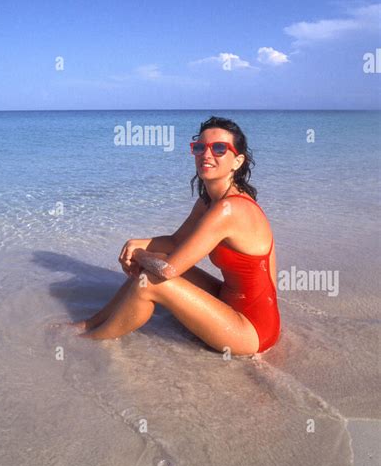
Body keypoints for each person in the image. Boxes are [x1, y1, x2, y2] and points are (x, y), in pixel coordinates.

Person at [60, 116, 281, 356]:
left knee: (151, 282)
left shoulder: (229, 210)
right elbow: (177, 242)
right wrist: (137, 244)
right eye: (200, 147)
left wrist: (140, 255)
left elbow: (168, 270)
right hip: (228, 300)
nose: (207, 154)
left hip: (253, 330)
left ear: (237, 161)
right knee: (155, 262)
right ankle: (90, 323)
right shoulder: (209, 202)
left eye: (219, 148)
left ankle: (87, 340)